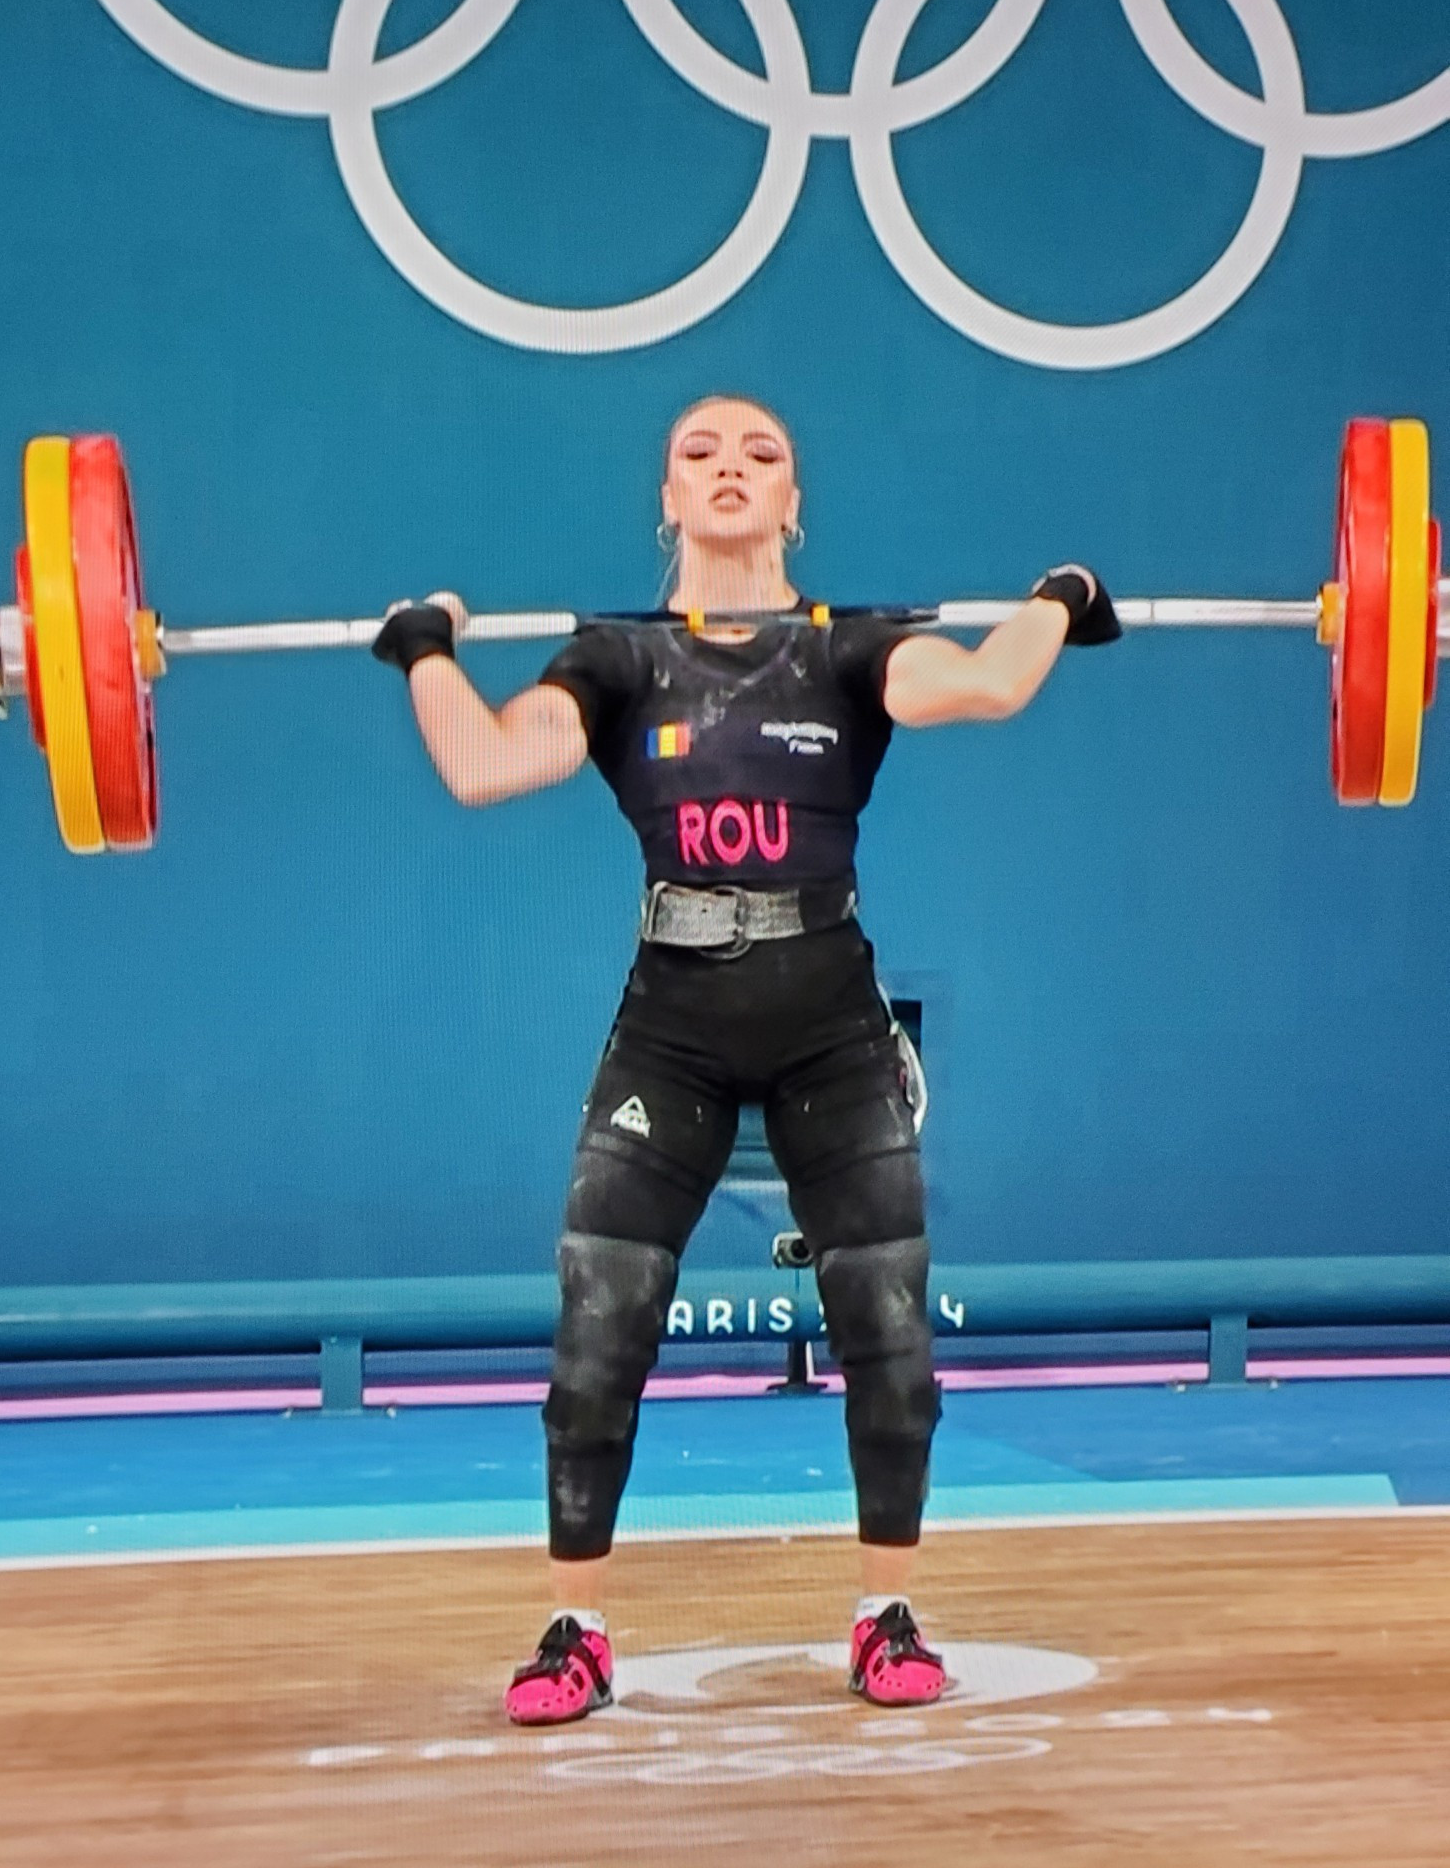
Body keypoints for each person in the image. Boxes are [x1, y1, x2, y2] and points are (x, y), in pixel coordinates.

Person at [373, 395, 1120, 1724]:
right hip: (674, 1026)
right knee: (598, 1330)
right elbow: (486, 767)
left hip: (832, 1018)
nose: (730, 469)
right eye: (700, 454)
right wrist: (428, 651)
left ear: (793, 505)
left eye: (760, 455)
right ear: (666, 500)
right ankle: (574, 1628)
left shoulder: (851, 646)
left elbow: (988, 682)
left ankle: (887, 1613)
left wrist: (1059, 598)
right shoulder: (613, 659)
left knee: (890, 1332)